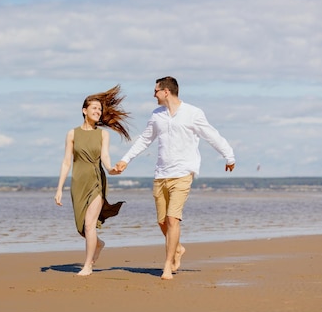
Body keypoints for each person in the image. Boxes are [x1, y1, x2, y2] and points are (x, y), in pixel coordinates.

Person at [112, 76, 235, 280]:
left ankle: (168, 266)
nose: (154, 94)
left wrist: (228, 155)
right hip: (161, 174)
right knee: (162, 222)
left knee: (172, 219)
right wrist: (125, 160)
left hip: (183, 173)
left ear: (166, 91)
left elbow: (211, 134)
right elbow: (144, 140)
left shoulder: (193, 113)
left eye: (156, 91)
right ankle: (177, 248)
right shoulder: (157, 115)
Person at [55, 85, 131, 276]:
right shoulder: (72, 134)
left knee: (90, 225)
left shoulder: (103, 134)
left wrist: (112, 170)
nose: (98, 111)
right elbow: (66, 162)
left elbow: (105, 158)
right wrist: (59, 189)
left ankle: (87, 266)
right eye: (94, 108)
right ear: (84, 111)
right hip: (78, 183)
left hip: (96, 182)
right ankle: (99, 244)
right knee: (82, 228)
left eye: (100, 109)